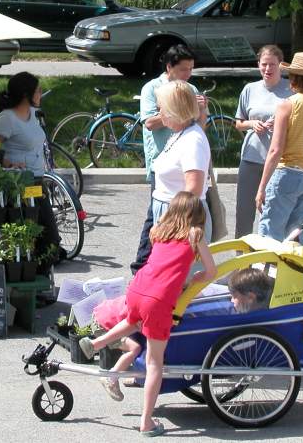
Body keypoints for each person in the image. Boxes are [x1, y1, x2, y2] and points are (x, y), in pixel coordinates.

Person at [79, 192, 217, 435]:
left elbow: (165, 264)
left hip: (137, 289)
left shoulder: (159, 232)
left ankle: (97, 342)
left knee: (133, 321)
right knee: (155, 363)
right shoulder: (195, 234)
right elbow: (211, 270)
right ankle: (147, 422)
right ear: (197, 215)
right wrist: (197, 278)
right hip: (158, 301)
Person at [132, 45, 206, 273]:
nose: (188, 75)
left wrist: (200, 111)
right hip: (161, 161)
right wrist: (173, 111)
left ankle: (147, 266)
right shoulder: (152, 88)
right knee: (154, 216)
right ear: (169, 67)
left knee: (162, 224)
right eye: (183, 69)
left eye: (191, 69)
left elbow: (199, 128)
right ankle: (144, 265)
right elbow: (149, 123)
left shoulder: (190, 89)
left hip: (182, 166)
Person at [0, 72, 60, 267]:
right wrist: (8, 163)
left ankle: (42, 281)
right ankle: (32, 283)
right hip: (19, 183)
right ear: (26, 94)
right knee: (28, 234)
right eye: (38, 90)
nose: (41, 94)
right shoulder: (6, 119)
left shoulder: (33, 114)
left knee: (48, 235)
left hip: (37, 180)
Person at [256, 52, 303, 243]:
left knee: (270, 236)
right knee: (297, 237)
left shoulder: (287, 105)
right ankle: (295, 273)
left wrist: (262, 186)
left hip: (288, 174)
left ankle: (267, 273)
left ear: (295, 78)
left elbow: (275, 150)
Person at [234, 45, 293, 237]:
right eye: (264, 64)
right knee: (244, 211)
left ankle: (271, 258)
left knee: (274, 212)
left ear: (280, 66)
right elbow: (238, 123)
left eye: (272, 65)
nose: (268, 69)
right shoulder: (249, 89)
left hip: (281, 160)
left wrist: (282, 121)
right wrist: (252, 124)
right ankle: (242, 259)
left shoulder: (291, 89)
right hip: (251, 157)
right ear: (258, 65)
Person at [151, 80, 213, 243]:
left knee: (184, 269)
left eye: (161, 108)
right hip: (174, 215)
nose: (159, 113)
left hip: (183, 219)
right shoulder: (180, 133)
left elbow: (193, 189)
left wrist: (165, 220)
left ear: (173, 109)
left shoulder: (192, 140)